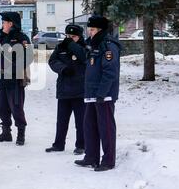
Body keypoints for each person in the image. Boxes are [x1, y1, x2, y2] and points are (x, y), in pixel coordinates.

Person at [75, 15, 122, 172]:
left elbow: (110, 72)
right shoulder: (93, 44)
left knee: (106, 127)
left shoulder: (108, 46)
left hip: (104, 95)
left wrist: (102, 93)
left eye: (92, 29)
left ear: (100, 30)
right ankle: (91, 157)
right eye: (89, 29)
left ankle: (108, 160)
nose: (89, 32)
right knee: (89, 126)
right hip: (91, 93)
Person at [0, 12, 32, 146]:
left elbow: (27, 58)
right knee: (2, 108)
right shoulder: (3, 37)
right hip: (2, 79)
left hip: (15, 79)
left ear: (11, 23)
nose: (2, 24)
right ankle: (6, 133)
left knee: (16, 107)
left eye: (4, 22)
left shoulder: (22, 38)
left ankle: (21, 133)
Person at [46, 24, 87, 155]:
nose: (69, 38)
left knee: (80, 121)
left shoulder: (84, 46)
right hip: (64, 89)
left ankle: (81, 145)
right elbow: (52, 61)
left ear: (79, 37)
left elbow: (84, 57)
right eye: (68, 36)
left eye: (73, 36)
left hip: (80, 90)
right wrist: (62, 68)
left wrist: (72, 45)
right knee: (62, 120)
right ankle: (58, 144)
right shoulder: (61, 47)